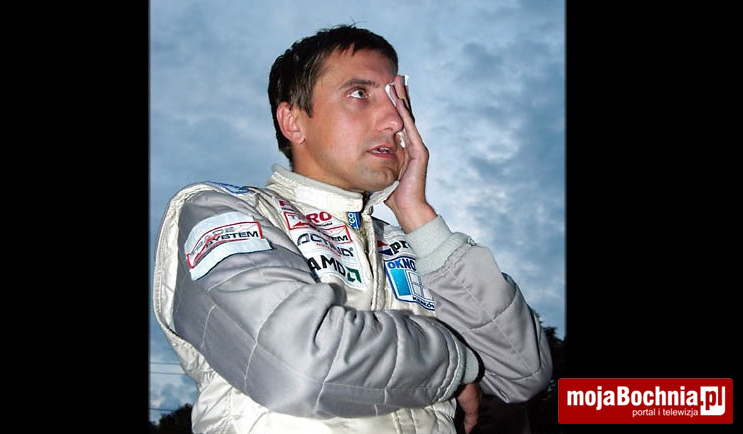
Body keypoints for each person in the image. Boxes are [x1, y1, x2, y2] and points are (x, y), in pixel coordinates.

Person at [152, 24, 552, 434]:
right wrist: (456, 360)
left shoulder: (407, 246)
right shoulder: (223, 211)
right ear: (293, 121)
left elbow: (522, 373)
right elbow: (300, 363)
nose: (395, 120)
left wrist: (416, 214)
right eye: (360, 94)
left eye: (398, 99)